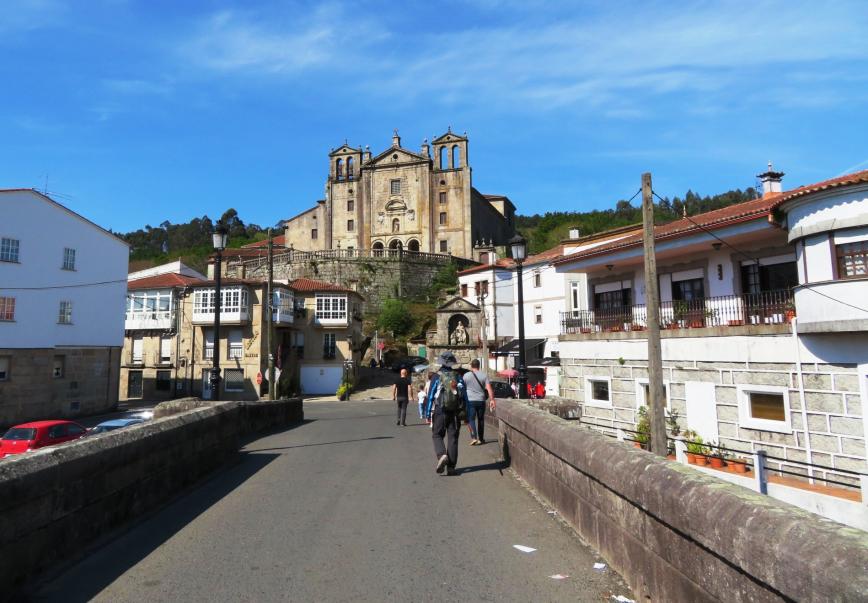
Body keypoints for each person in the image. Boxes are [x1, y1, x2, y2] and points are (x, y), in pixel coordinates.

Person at [426, 351, 468, 475]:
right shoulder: (457, 376)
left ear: (441, 362)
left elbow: (431, 396)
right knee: (453, 438)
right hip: (454, 412)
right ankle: (451, 467)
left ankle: (442, 455)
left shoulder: (436, 376)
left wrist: (427, 414)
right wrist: (466, 413)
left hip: (440, 410)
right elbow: (464, 396)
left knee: (437, 435)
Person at [463, 359, 495, 446]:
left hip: (470, 400)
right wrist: (492, 400)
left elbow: (462, 388)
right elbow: (489, 388)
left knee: (471, 419)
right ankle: (481, 438)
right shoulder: (484, 375)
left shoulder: (466, 375)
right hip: (481, 400)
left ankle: (474, 437)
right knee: (481, 419)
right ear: (479, 366)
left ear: (471, 366)